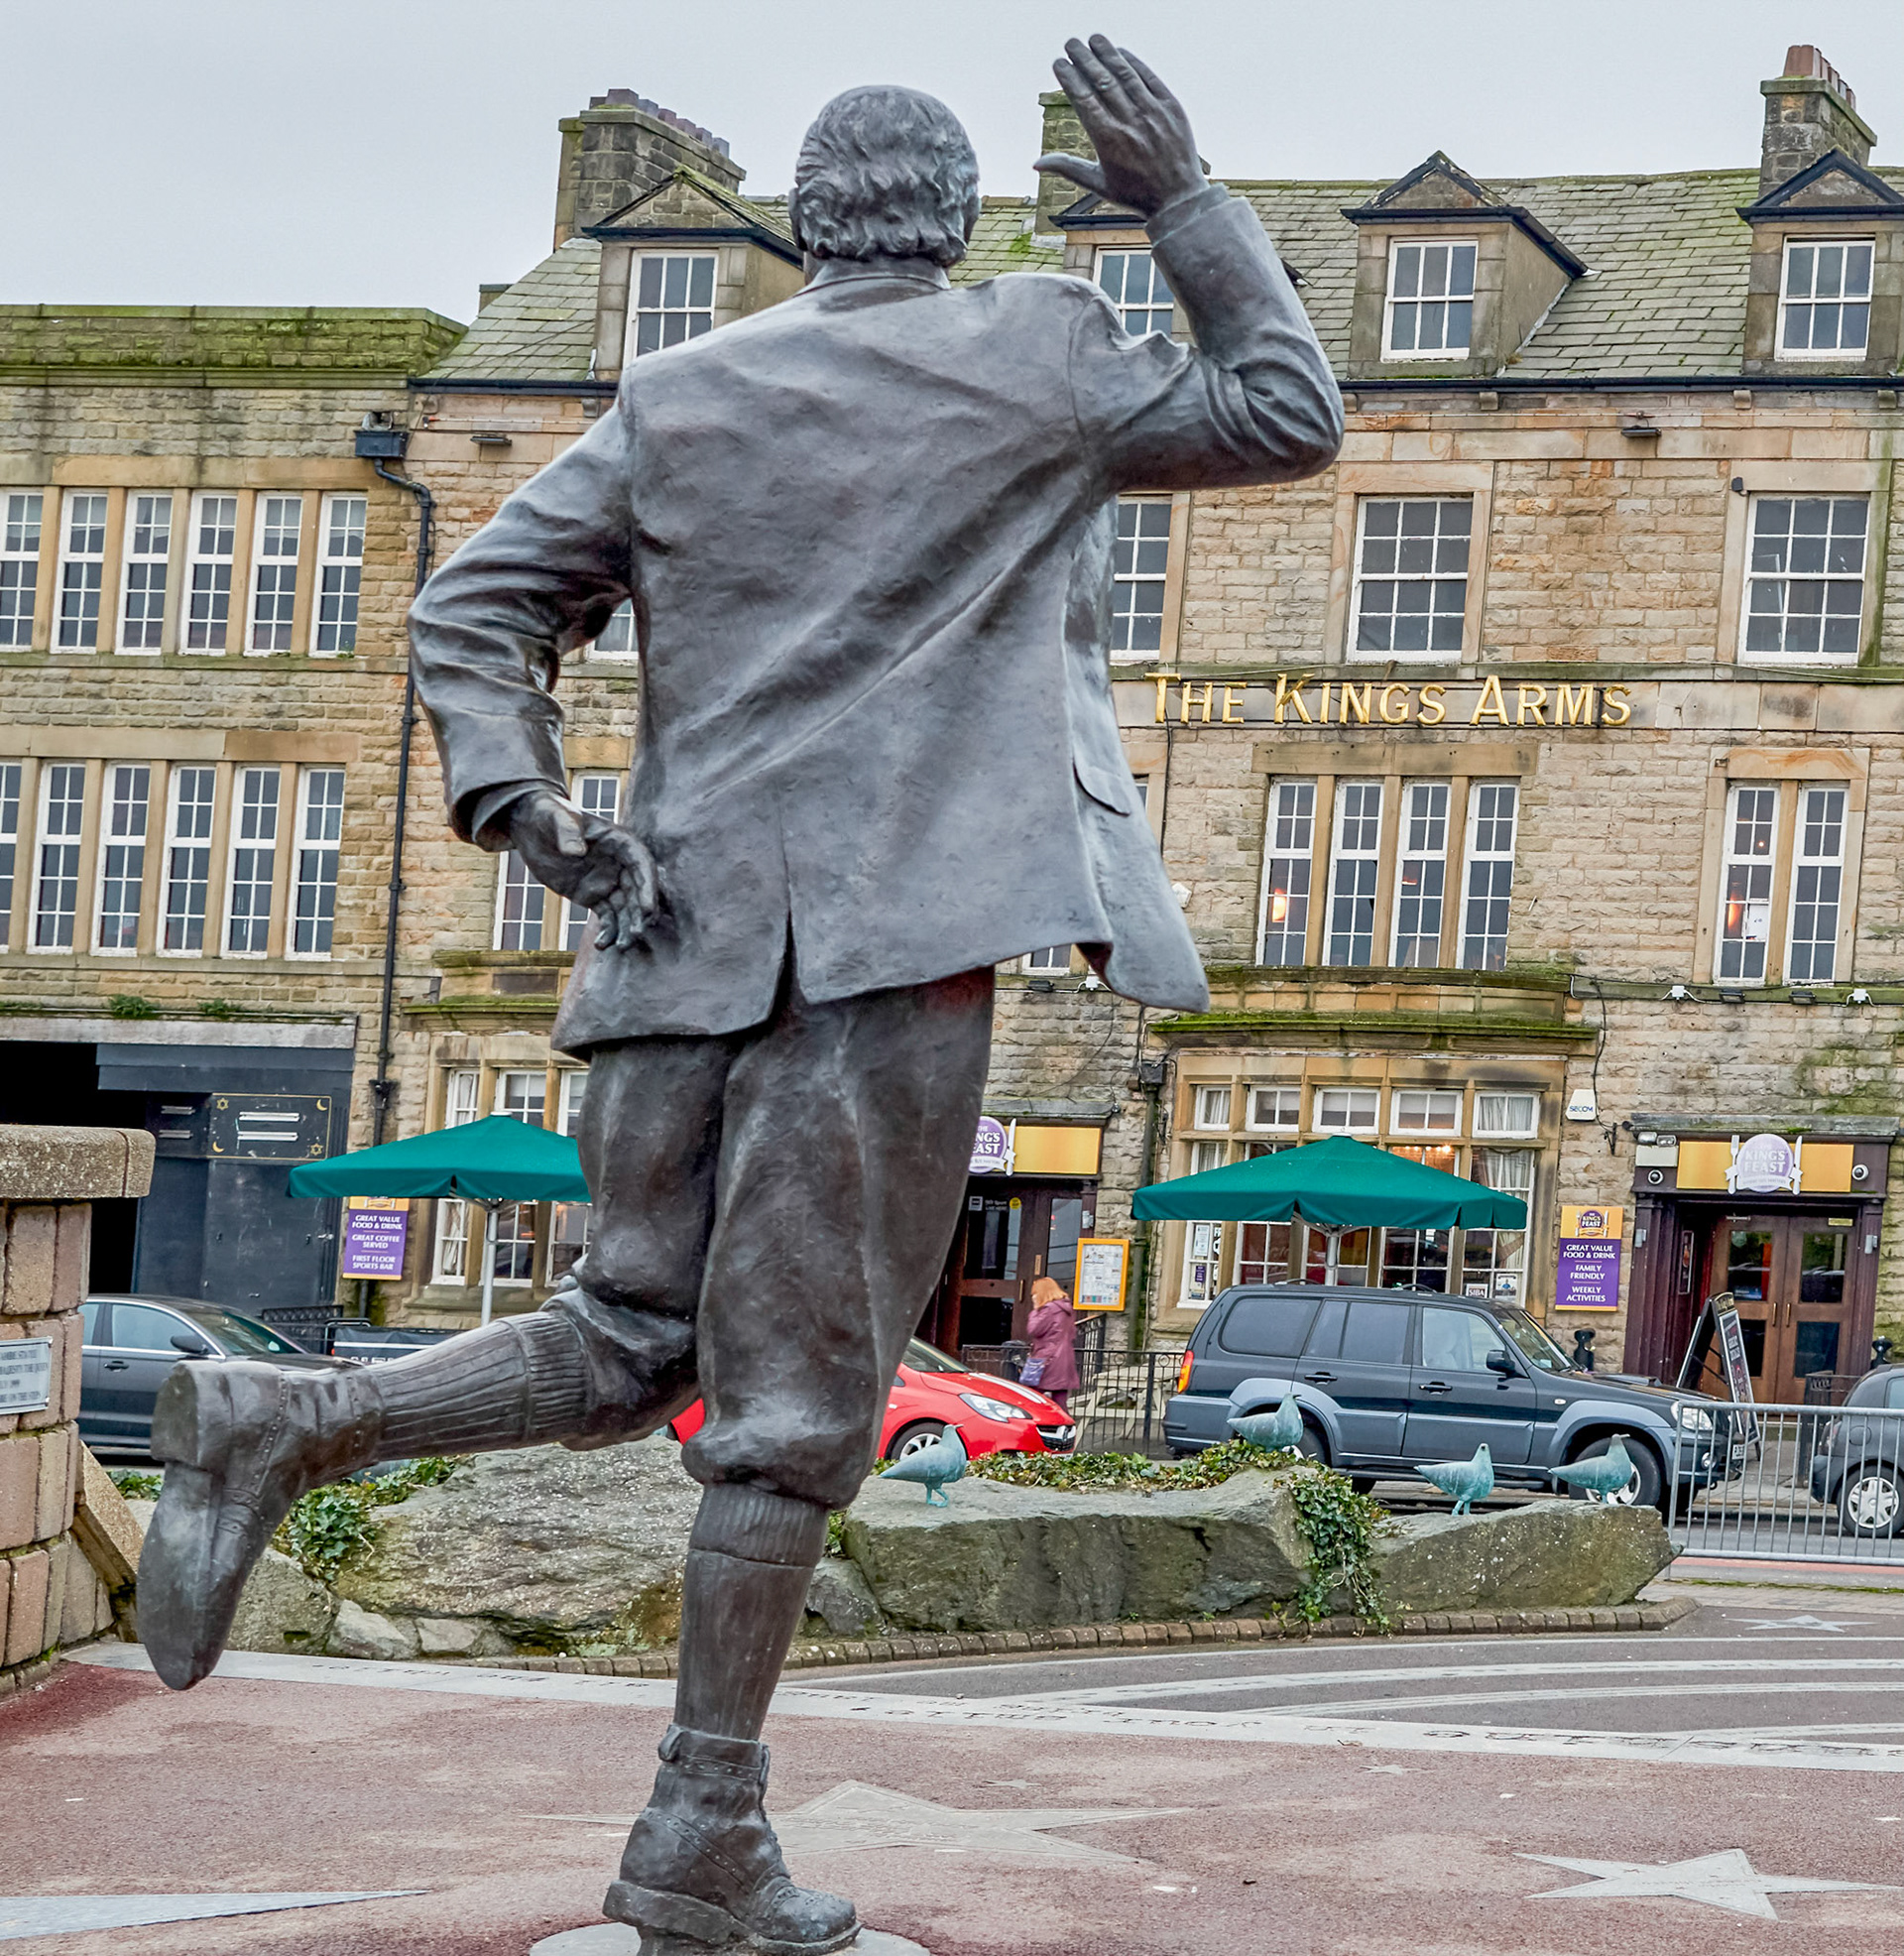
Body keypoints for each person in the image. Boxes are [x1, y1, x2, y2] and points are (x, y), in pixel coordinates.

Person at [137, 35, 1340, 1956]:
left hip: (667, 938)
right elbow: (1286, 403)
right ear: (953, 226)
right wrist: (1180, 192)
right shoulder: (1035, 342)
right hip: (878, 961)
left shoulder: (677, 395)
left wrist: (530, 805)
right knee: (788, 1420)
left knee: (626, 1336)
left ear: (801, 223)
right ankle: (699, 1832)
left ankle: (295, 1411)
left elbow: (469, 608)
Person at [1025, 1276, 1083, 1410]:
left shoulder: (1048, 1310)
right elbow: (1072, 1333)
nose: (1033, 1297)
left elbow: (1034, 1329)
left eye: (1035, 1294)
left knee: (1031, 1396)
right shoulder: (1066, 1309)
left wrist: (1035, 1310)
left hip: (1047, 1359)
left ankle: (1037, 1427)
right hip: (1064, 1359)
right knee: (1060, 1400)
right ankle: (1066, 1428)